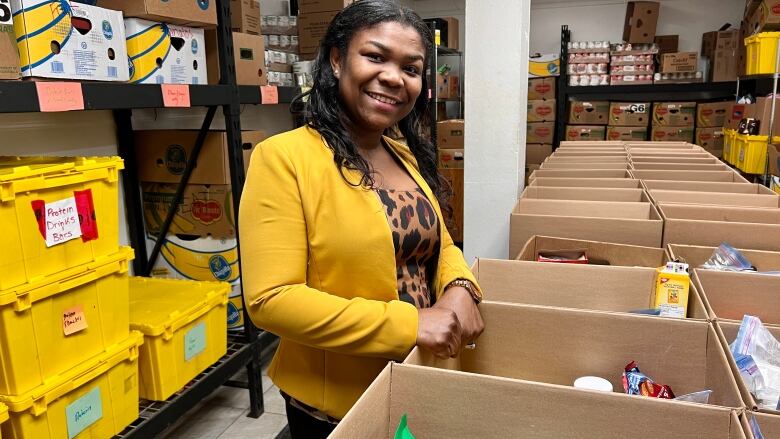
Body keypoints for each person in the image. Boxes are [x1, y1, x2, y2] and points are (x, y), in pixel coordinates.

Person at [239, 1, 484, 437]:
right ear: (336, 60)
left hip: (417, 375)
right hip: (335, 402)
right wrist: (411, 324)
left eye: (411, 68)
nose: (394, 77)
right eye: (375, 56)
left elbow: (439, 243)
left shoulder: (403, 153)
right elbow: (270, 300)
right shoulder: (284, 159)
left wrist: (461, 287)